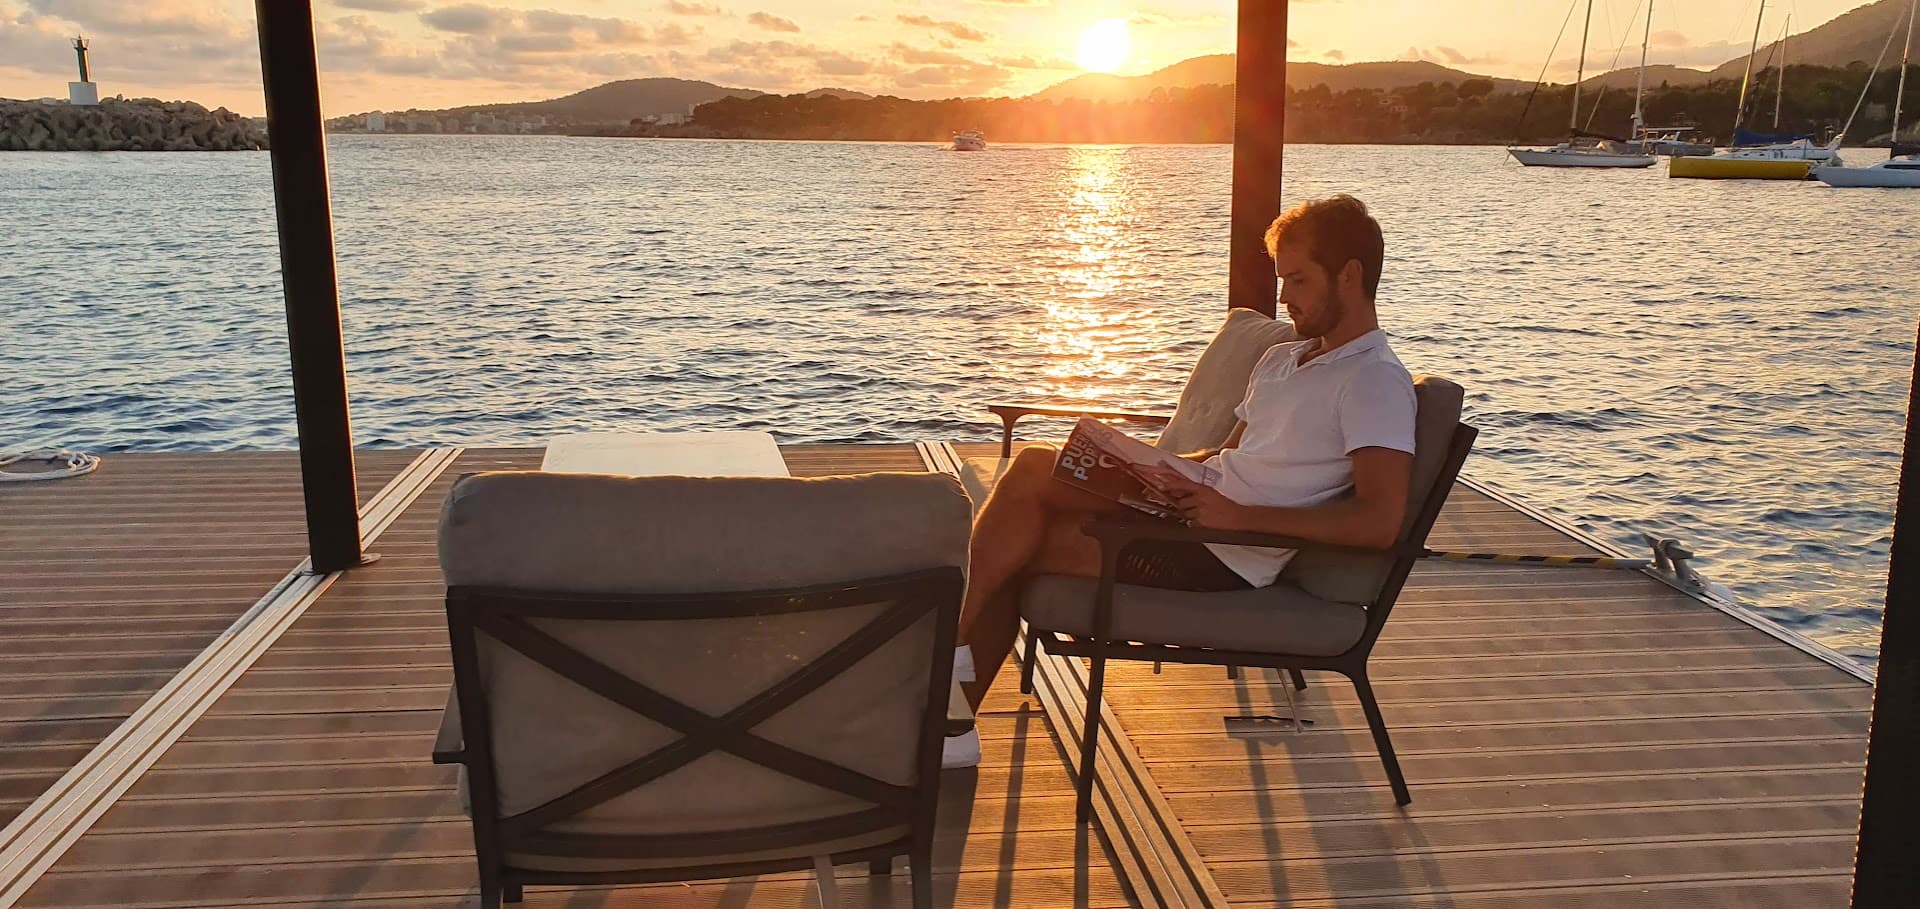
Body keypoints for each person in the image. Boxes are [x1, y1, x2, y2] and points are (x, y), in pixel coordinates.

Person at [952, 194, 1419, 725]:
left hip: (1226, 551)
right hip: (1190, 509)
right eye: (1282, 280)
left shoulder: (1373, 380)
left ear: (1351, 275)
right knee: (1036, 463)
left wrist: (1240, 518)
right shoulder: (1285, 357)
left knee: (1023, 542)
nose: (1285, 296)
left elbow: (1380, 521)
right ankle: (953, 687)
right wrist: (1154, 466)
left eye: (1299, 280)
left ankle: (950, 676)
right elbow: (1231, 454)